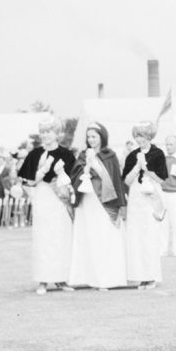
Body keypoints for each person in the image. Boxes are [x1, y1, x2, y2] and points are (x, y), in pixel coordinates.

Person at [17, 117, 76, 294]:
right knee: (43, 238)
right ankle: (43, 280)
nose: (46, 135)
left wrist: (61, 174)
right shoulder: (35, 155)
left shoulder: (67, 154)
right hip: (43, 197)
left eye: (49, 131)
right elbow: (28, 181)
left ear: (56, 133)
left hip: (60, 200)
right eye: (43, 132)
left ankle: (61, 279)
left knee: (61, 237)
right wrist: (44, 168)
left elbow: (73, 179)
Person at [68, 122, 128, 289]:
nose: (91, 140)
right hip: (88, 200)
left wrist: (121, 204)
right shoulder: (82, 155)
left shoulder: (110, 155)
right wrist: (86, 166)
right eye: (89, 137)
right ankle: (89, 277)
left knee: (104, 236)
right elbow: (76, 175)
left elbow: (116, 180)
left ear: (102, 137)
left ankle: (107, 277)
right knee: (88, 236)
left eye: (94, 136)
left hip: (105, 202)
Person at [122, 121, 168, 288]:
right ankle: (140, 275)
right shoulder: (132, 155)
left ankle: (151, 276)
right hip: (135, 198)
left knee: (149, 236)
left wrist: (146, 168)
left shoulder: (158, 154)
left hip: (151, 197)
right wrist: (137, 166)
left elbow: (162, 178)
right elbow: (126, 180)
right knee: (135, 237)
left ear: (149, 136)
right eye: (136, 136)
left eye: (141, 135)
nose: (138, 139)